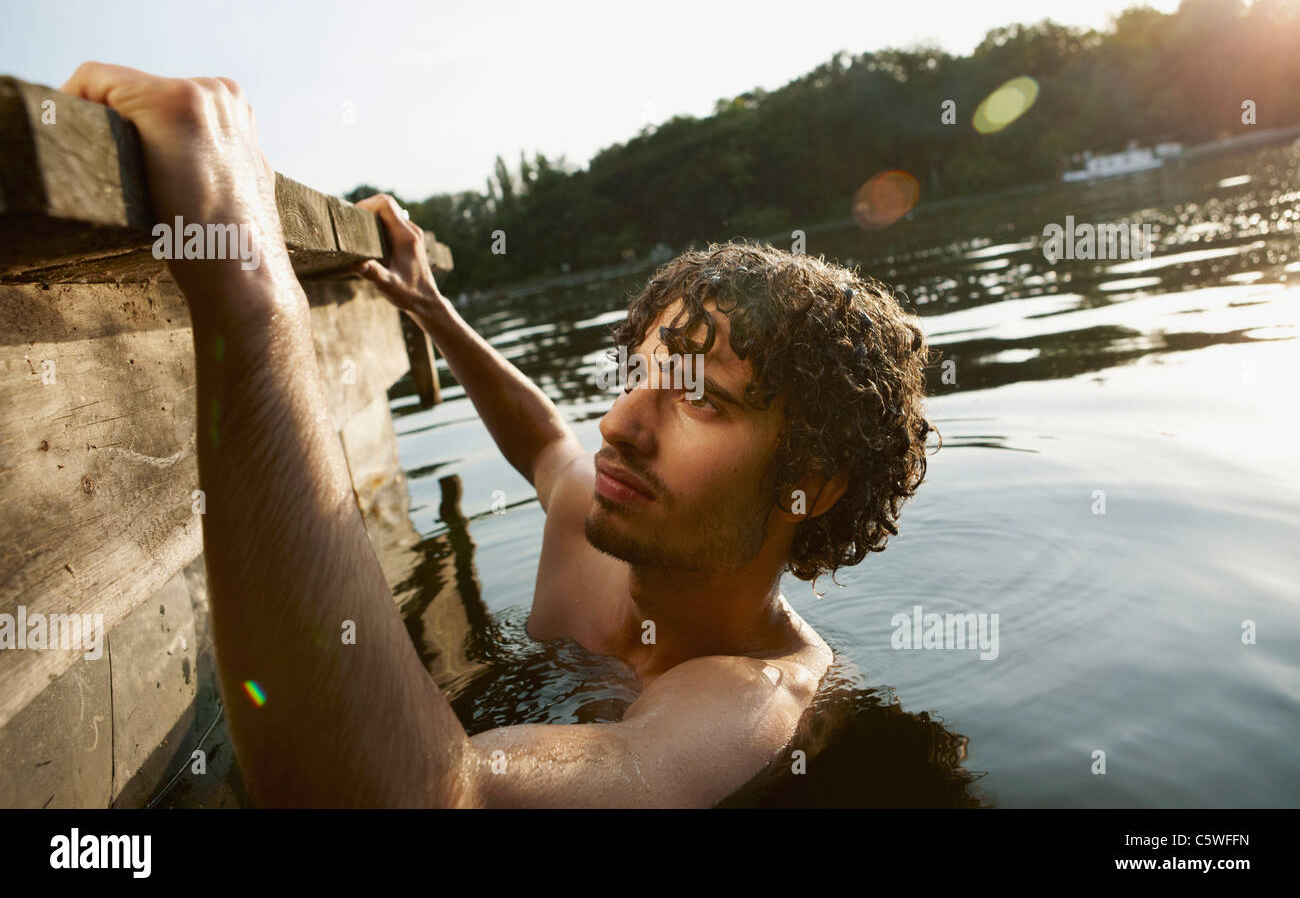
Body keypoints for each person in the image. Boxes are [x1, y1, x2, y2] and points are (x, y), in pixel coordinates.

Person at [59, 62, 935, 807]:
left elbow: (441, 798)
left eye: (699, 400)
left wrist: (247, 286)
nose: (621, 425)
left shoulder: (747, 711)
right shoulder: (602, 516)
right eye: (638, 377)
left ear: (810, 485)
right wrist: (432, 309)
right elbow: (546, 440)